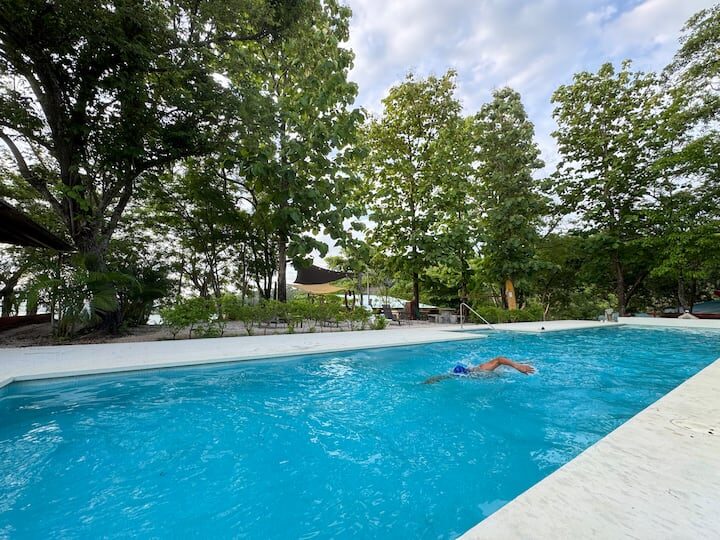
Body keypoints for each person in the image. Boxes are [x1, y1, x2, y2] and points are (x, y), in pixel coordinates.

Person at [423, 356, 535, 384]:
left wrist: (517, 366)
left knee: (505, 367)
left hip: (501, 370)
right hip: (495, 374)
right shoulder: (467, 374)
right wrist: (432, 380)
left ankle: (522, 363)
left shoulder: (481, 369)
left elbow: (500, 359)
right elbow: (447, 376)